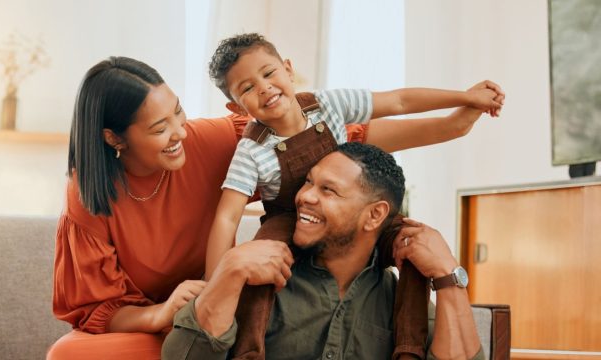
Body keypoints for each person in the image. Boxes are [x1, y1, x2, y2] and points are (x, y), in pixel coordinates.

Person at [47, 56, 498, 359]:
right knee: (70, 353)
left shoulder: (223, 139)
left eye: (179, 114)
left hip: (224, 292)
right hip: (174, 312)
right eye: (160, 128)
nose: (180, 132)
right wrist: (168, 309)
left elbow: (335, 143)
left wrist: (455, 124)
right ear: (114, 138)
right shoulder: (88, 198)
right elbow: (94, 308)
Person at [203, 33, 504, 359]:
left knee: (415, 245)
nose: (263, 87)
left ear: (288, 69)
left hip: (348, 205)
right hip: (287, 219)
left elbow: (399, 101)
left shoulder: (328, 104)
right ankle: (249, 351)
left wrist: (465, 98)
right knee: (258, 273)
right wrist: (215, 282)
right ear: (236, 107)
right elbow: (226, 216)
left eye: (268, 73)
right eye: (247, 88)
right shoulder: (252, 150)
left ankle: (410, 349)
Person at [162, 142, 484, 360]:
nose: (305, 197)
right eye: (308, 182)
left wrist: (448, 275)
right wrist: (229, 269)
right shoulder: (256, 283)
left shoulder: (404, 305)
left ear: (374, 215)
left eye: (328, 190)